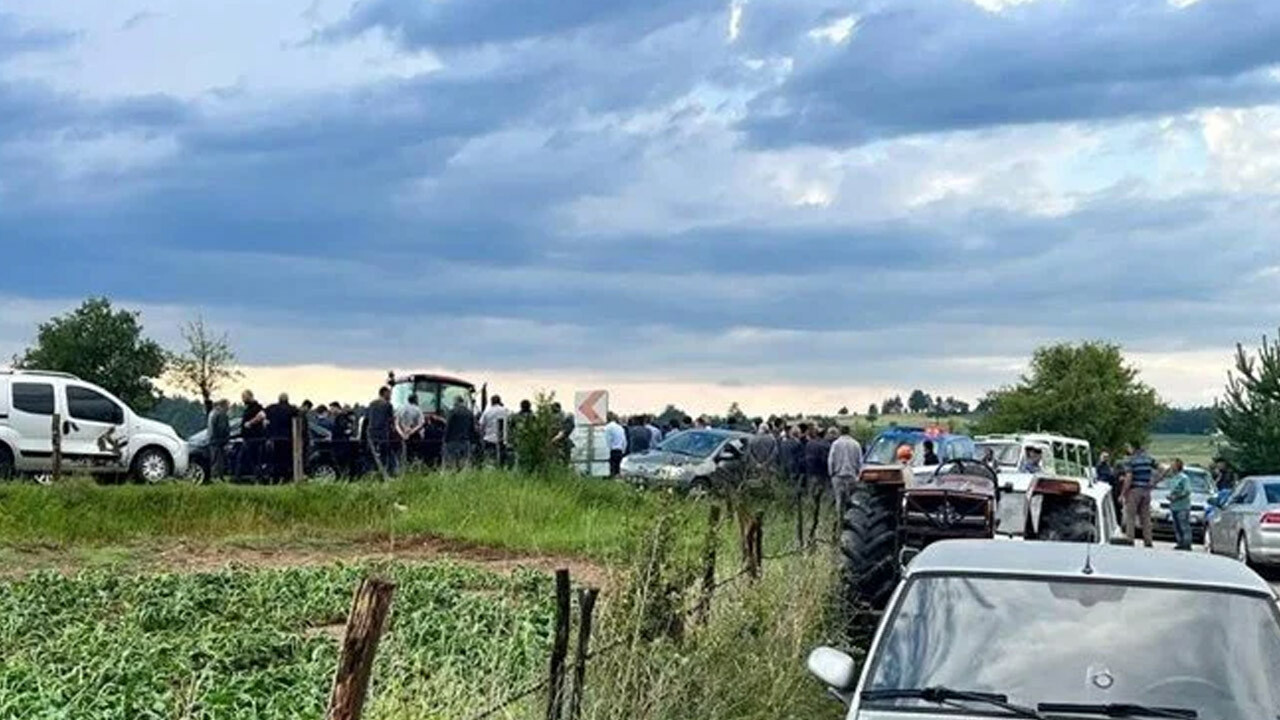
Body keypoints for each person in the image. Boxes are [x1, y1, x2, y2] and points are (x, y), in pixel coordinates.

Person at [828, 426, 863, 529]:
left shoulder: (835, 444)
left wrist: (831, 473)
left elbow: (831, 460)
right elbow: (860, 461)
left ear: (840, 432)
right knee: (851, 499)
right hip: (851, 475)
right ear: (850, 432)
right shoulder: (856, 444)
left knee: (839, 499)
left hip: (838, 475)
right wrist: (858, 474)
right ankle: (851, 521)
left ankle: (840, 520)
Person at [1122, 443, 1157, 547]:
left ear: (1133, 448)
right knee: (1146, 517)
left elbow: (1129, 477)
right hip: (1146, 491)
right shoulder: (1149, 459)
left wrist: (1123, 492)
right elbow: (1163, 468)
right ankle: (1148, 540)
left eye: (1129, 447)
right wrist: (1154, 481)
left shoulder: (1130, 461)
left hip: (1135, 490)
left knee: (1131, 516)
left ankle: (1130, 539)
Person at [803, 426, 832, 544]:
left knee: (812, 497)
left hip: (811, 474)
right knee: (824, 498)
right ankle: (821, 518)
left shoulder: (809, 444)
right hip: (823, 475)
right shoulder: (826, 445)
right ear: (824, 434)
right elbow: (827, 461)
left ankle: (812, 514)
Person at [365, 386, 397, 477]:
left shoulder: (371, 404)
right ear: (385, 393)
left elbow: (367, 418)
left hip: (371, 433)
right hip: (383, 433)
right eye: (389, 394)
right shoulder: (387, 405)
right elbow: (391, 421)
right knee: (384, 455)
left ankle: (371, 473)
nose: (390, 396)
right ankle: (384, 473)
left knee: (372, 455)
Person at [235, 390, 267, 482]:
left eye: (244, 397)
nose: (242, 399)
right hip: (248, 438)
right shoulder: (249, 408)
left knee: (250, 459)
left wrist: (250, 423)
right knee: (249, 459)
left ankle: (254, 477)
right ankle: (255, 477)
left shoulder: (257, 407)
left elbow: (262, 415)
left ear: (250, 396)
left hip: (254, 439)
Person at [1166, 458, 1194, 551]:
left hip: (1183, 506)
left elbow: (1187, 491)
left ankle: (1187, 543)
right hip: (1174, 506)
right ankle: (1180, 542)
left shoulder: (1184, 478)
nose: (1171, 466)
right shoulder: (1173, 477)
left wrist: (1176, 497)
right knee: (1177, 526)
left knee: (1184, 525)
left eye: (1173, 465)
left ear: (1178, 466)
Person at [478, 395, 512, 467]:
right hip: (502, 439)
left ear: (491, 402)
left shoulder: (487, 412)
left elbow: (481, 425)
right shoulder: (505, 410)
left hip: (489, 439)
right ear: (500, 401)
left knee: (490, 459)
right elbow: (510, 422)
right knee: (501, 460)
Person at [443, 395, 476, 470]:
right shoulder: (469, 413)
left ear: (456, 402)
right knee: (464, 463)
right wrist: (472, 441)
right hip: (465, 441)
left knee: (451, 463)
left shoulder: (453, 412)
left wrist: (445, 440)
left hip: (452, 441)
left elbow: (448, 427)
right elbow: (472, 429)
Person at [396, 394, 427, 465]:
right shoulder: (417, 409)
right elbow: (421, 423)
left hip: (403, 434)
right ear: (415, 400)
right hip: (414, 435)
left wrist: (401, 433)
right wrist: (412, 432)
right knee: (415, 454)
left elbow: (397, 423)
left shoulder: (400, 409)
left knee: (404, 453)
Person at [207, 399, 231, 481]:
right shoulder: (221, 414)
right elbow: (222, 428)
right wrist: (225, 440)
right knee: (219, 460)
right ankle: (218, 478)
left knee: (214, 460)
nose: (229, 407)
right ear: (224, 405)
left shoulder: (212, 413)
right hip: (219, 441)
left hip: (212, 440)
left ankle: (214, 476)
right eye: (228, 405)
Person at [604, 413, 627, 477]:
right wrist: (623, 450)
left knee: (612, 471)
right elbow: (624, 440)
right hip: (620, 450)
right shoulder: (620, 427)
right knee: (618, 471)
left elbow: (607, 440)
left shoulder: (607, 427)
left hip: (612, 451)